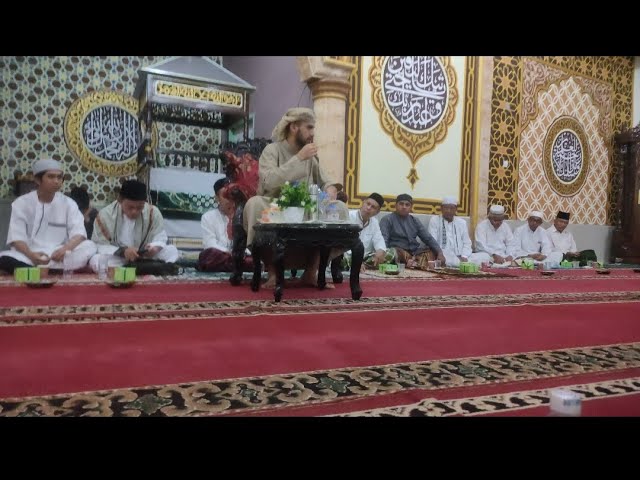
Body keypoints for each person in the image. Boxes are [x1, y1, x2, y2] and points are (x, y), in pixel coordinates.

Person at [242, 107, 344, 287]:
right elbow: (268, 182)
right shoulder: (272, 150)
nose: (313, 133)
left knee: (340, 208)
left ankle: (311, 272)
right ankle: (273, 273)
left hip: (306, 210)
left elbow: (325, 181)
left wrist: (330, 189)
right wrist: (298, 158)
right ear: (294, 127)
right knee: (254, 204)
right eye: (309, 127)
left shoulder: (311, 156)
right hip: (276, 208)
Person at [0, 159, 97, 274]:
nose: (56, 181)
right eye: (51, 177)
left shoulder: (69, 204)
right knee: (5, 257)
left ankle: (38, 269)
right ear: (37, 180)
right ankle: (51, 269)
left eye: (59, 177)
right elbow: (16, 238)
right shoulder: (21, 203)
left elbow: (79, 234)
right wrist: (31, 255)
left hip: (59, 254)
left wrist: (65, 249)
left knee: (90, 246)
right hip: (30, 253)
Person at [89, 179, 179, 272]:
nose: (134, 211)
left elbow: (160, 237)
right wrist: (123, 252)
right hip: (120, 258)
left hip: (144, 256)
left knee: (172, 251)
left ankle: (133, 268)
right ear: (120, 200)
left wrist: (155, 247)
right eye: (130, 207)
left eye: (140, 207)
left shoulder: (153, 212)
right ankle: (146, 268)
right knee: (96, 260)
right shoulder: (105, 215)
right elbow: (99, 245)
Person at [197, 177, 253, 272]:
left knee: (255, 256)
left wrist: (242, 253)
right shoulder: (208, 217)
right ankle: (240, 265)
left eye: (232, 196)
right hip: (221, 256)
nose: (229, 200)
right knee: (207, 255)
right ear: (216, 198)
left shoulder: (244, 215)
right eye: (225, 196)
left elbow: (249, 244)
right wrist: (230, 253)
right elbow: (210, 244)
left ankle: (238, 264)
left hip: (241, 256)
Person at [379, 193, 445, 269]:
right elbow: (383, 241)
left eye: (407, 205)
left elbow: (428, 238)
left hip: (414, 253)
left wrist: (440, 252)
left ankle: (413, 263)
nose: (404, 207)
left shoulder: (414, 220)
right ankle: (415, 263)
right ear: (395, 205)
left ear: (411, 207)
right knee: (392, 253)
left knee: (432, 252)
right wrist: (385, 253)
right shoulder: (387, 219)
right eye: (401, 204)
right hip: (398, 251)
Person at [428, 196, 485, 267]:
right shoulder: (435, 220)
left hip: (462, 256)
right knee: (445, 258)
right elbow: (433, 242)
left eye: (452, 208)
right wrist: (440, 253)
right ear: (441, 208)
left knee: (485, 256)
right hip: (444, 255)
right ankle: (462, 264)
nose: (449, 211)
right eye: (446, 208)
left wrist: (464, 256)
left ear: (456, 209)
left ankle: (460, 264)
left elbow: (467, 242)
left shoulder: (462, 223)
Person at [344, 193, 393, 270]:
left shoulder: (374, 222)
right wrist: (355, 260)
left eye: (373, 207)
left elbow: (379, 240)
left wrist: (380, 250)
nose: (369, 208)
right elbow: (341, 244)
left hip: (365, 256)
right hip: (348, 255)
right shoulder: (349, 216)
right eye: (368, 204)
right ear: (363, 203)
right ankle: (357, 264)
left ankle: (362, 265)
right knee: (340, 258)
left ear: (377, 212)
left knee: (391, 253)